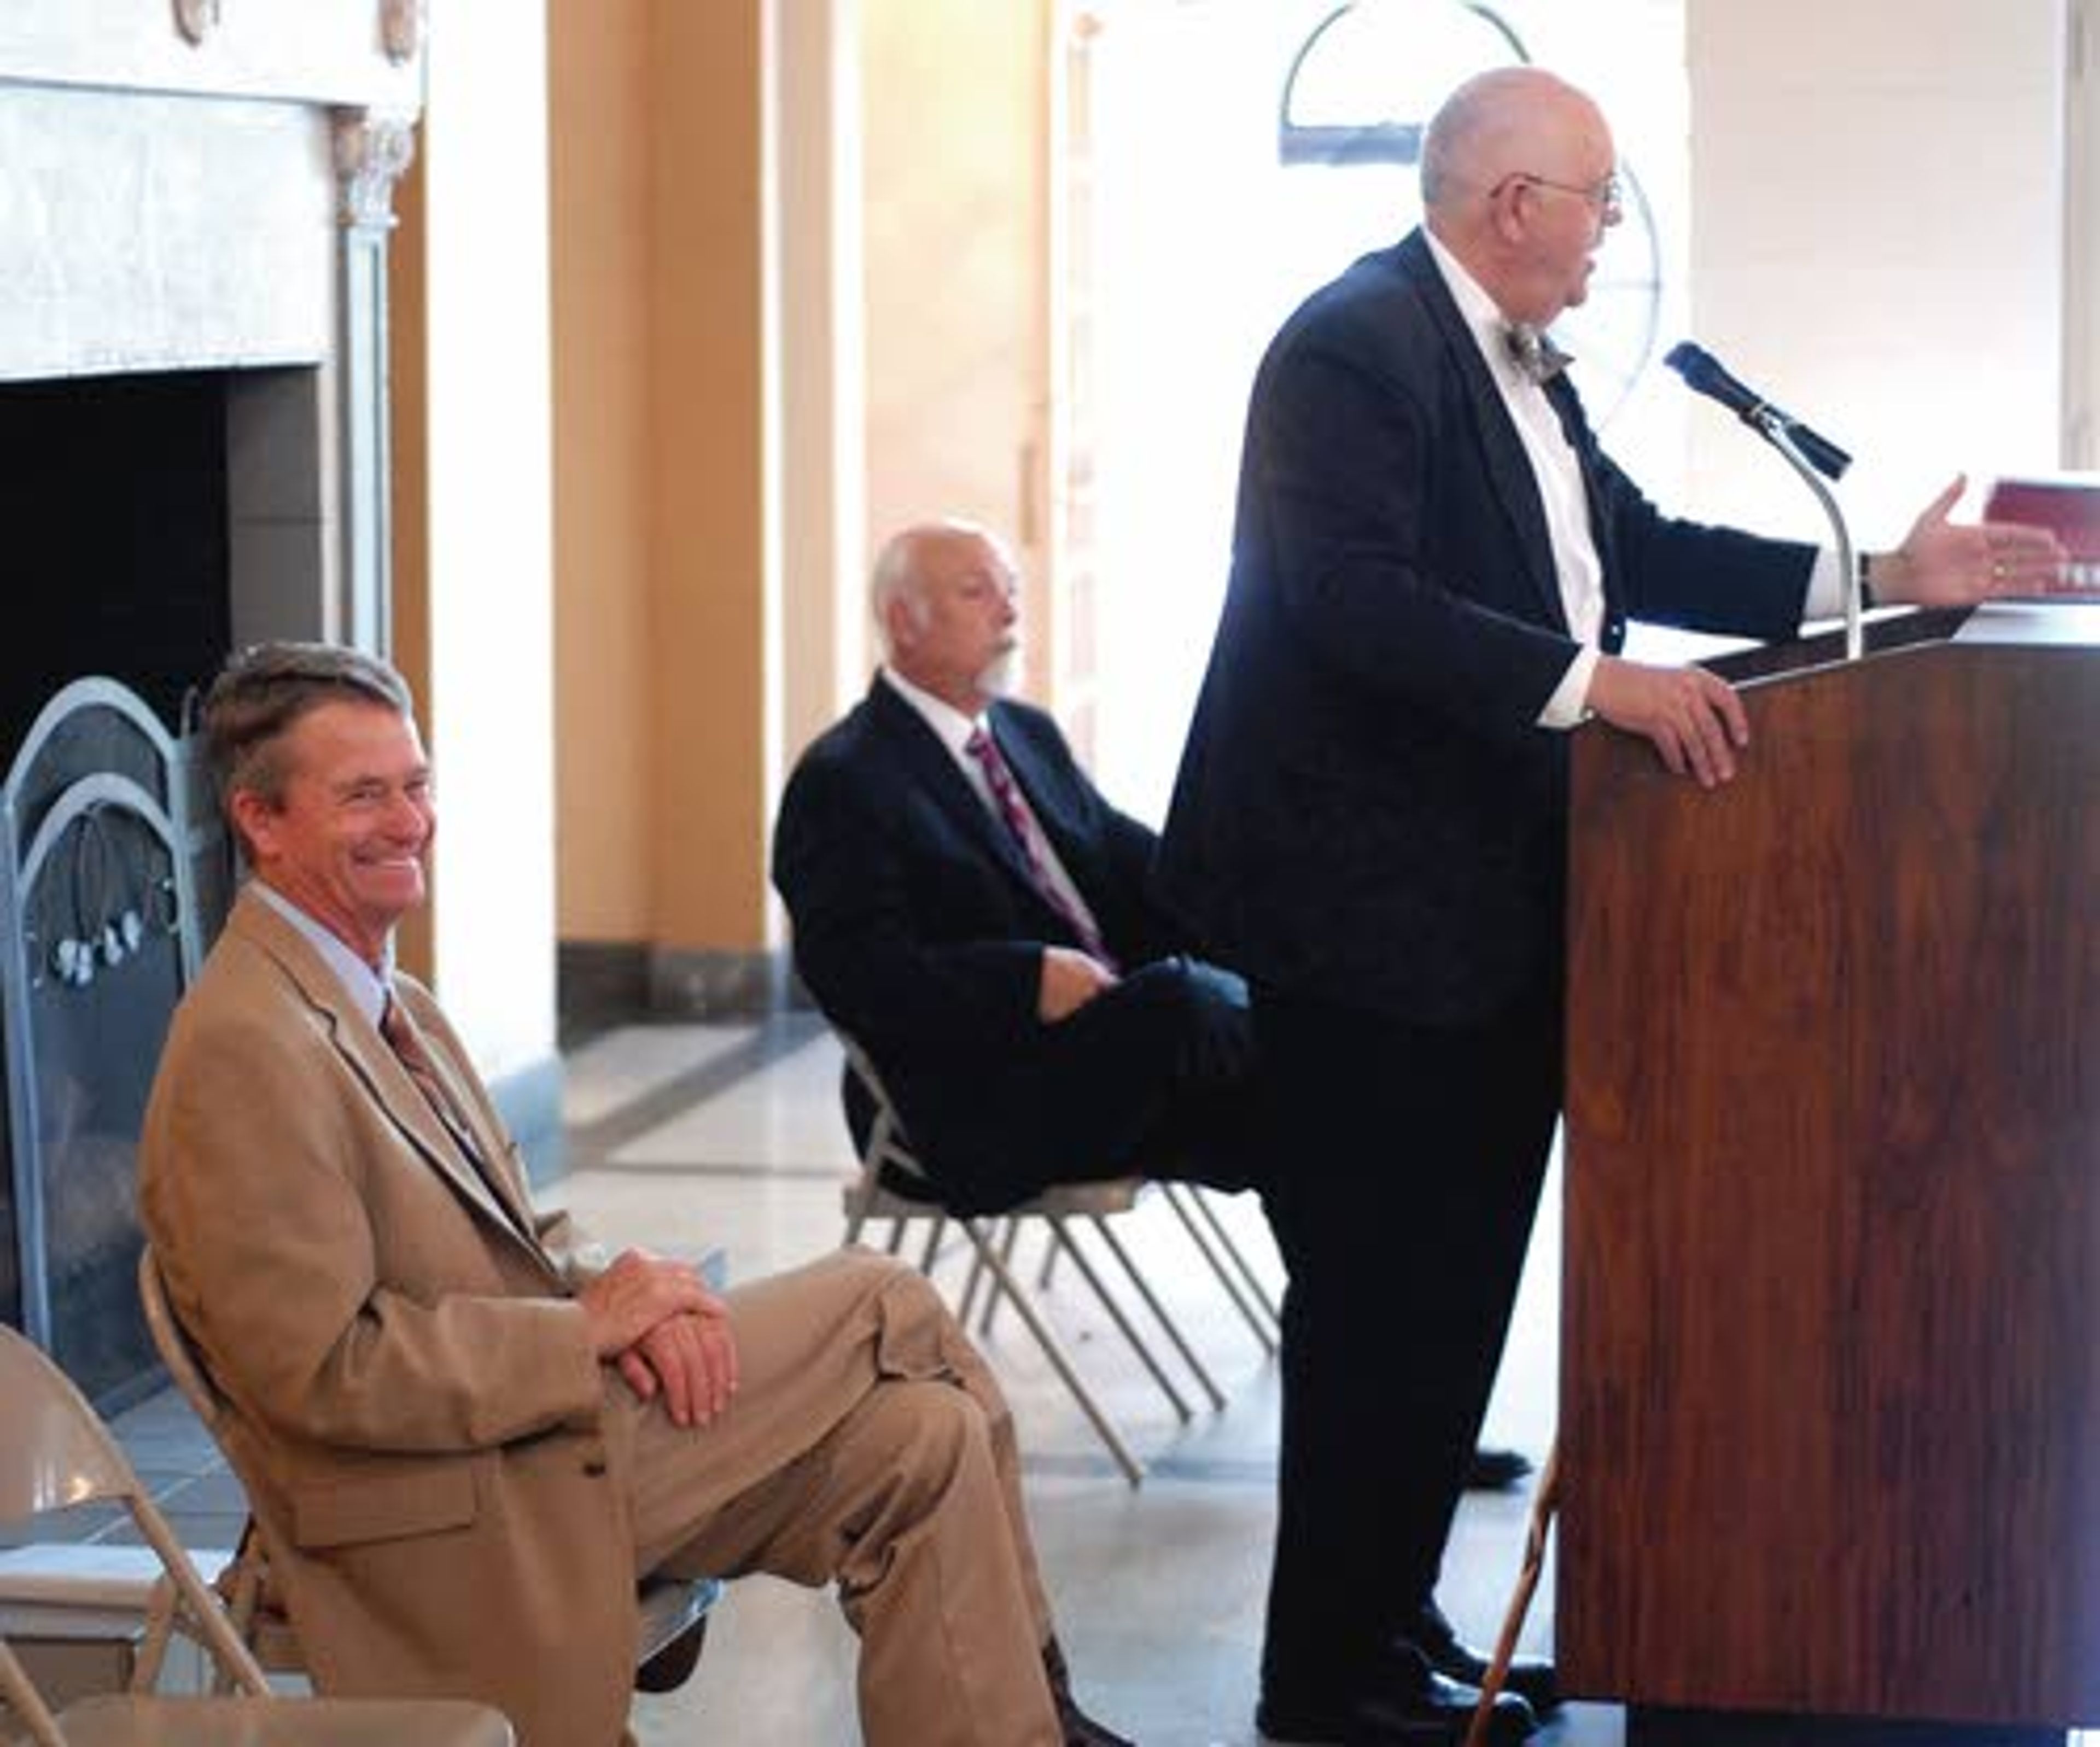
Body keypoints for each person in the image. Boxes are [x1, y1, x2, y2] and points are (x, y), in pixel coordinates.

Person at [1157, 65, 2069, 1747]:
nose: (1604, 237)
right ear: (1512, 204)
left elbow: (1627, 549)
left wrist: (1877, 580)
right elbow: (1350, 603)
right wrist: (1602, 692)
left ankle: (1388, 1626)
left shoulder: (1511, 367)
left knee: (1448, 1307)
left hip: (1497, 923)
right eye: (1596, 200)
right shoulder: (1349, 347)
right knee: (1377, 1305)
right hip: (1366, 931)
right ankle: (1323, 1682)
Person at [138, 640, 1136, 1747]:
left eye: (416, 785)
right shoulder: (245, 1043)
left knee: (926, 1436)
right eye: (363, 795)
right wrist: (582, 1336)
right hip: (434, 1510)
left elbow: (504, 1245)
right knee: (882, 1300)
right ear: (262, 820)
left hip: (529, 1438)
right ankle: (1052, 1705)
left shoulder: (398, 1000)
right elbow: (323, 1374)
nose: (409, 821)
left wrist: (627, 1298)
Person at [772, 518, 1261, 1217]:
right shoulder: (844, 779)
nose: (1010, 613)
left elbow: (1141, 872)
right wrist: (1026, 978)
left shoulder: (1027, 734)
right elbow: (859, 974)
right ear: (902, 621)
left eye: (1011, 592)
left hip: (1106, 1061)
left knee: (1296, 1095)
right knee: (1188, 1009)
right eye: (979, 593)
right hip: (976, 1100)